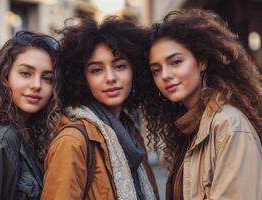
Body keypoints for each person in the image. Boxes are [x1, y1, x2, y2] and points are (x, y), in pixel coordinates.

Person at [143, 9, 262, 200]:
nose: (165, 75)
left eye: (176, 62)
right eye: (156, 70)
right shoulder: (191, 127)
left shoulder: (229, 125)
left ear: (202, 62)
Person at [41, 17, 159, 200]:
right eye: (96, 70)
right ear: (82, 78)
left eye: (120, 66)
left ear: (134, 70)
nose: (110, 77)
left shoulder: (129, 131)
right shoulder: (72, 141)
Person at [0, 30, 60, 200]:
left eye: (47, 78)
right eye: (25, 73)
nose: (36, 85)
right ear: (5, 76)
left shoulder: (25, 133)